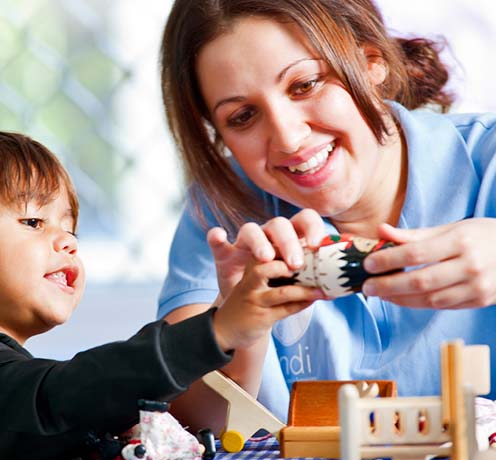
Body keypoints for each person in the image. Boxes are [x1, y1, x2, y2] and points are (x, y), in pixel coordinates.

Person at [0, 131, 318, 460]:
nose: (67, 243)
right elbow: (70, 395)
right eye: (34, 221)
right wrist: (215, 330)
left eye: (71, 229)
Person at [158, 0, 496, 427]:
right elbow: (185, 420)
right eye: (243, 116)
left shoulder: (489, 160)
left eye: (305, 85)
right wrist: (234, 330)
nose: (288, 137)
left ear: (371, 61)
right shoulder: (222, 212)